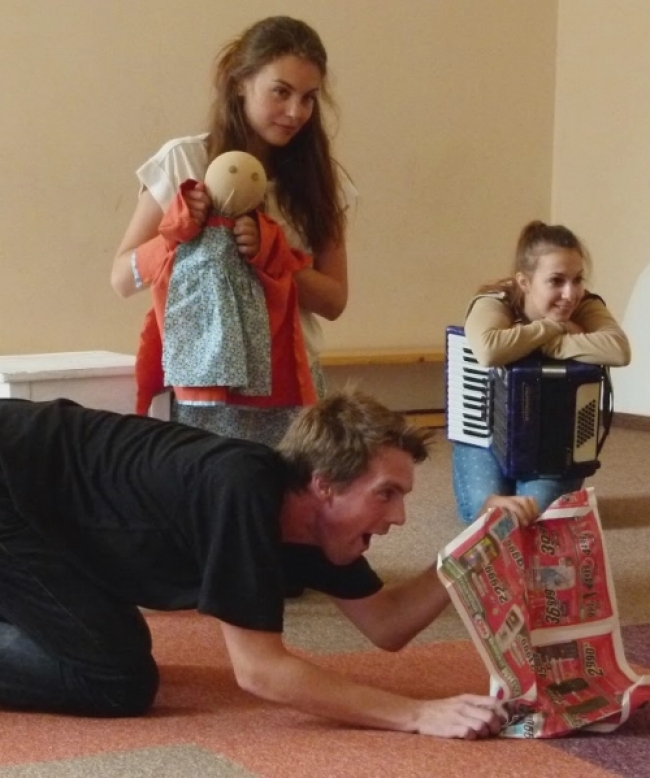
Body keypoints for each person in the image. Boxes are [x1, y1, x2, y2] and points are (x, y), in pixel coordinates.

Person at [0, 390, 538, 737]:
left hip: (39, 502)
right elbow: (260, 672)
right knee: (115, 679)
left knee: (112, 645)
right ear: (326, 485)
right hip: (8, 484)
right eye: (386, 493)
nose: (399, 517)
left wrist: (475, 545)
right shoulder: (241, 490)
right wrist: (417, 714)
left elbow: (388, 624)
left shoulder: (315, 526)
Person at [111, 15, 354, 447]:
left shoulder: (321, 181)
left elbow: (334, 301)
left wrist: (278, 259)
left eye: (308, 98)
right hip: (199, 392)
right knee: (209, 487)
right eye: (281, 92)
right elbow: (122, 278)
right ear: (241, 82)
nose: (295, 112)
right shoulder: (183, 161)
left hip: (290, 386)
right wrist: (172, 236)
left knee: (288, 489)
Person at [452, 220, 631, 524]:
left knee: (533, 518)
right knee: (487, 517)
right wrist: (553, 327)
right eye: (556, 281)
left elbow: (618, 350)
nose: (570, 294)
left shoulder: (586, 305)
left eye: (577, 279)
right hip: (485, 437)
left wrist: (549, 345)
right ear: (524, 282)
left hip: (555, 449)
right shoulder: (495, 302)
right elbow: (489, 350)